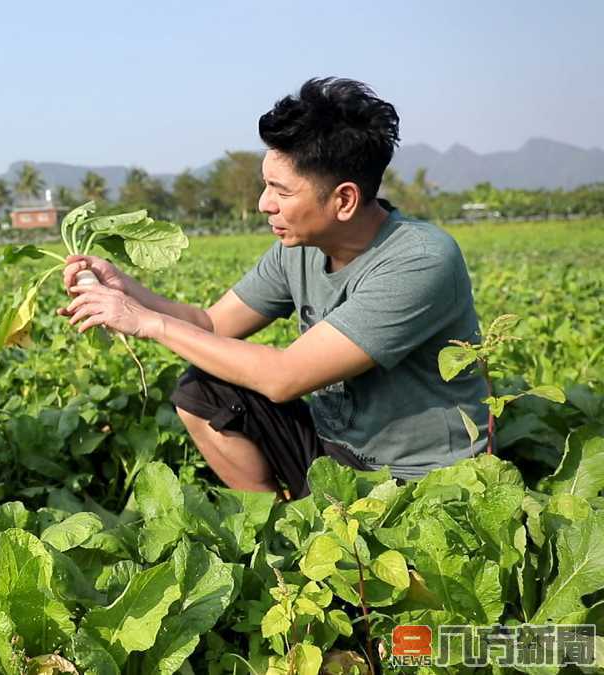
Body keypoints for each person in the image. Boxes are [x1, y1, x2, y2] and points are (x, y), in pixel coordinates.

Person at [61, 78, 489, 499]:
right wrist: (129, 291)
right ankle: (274, 529)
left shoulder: (418, 259)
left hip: (414, 479)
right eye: (266, 185)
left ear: (344, 200)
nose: (264, 203)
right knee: (202, 390)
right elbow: (212, 324)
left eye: (281, 191)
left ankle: (311, 532)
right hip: (334, 453)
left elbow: (284, 378)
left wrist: (147, 323)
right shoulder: (299, 247)